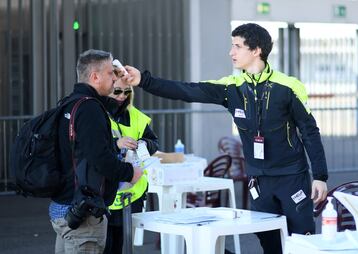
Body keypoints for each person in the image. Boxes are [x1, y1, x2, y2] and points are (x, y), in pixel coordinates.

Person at [119, 23, 328, 254]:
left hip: (292, 177)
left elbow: (310, 131)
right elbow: (187, 90)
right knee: (270, 244)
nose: (231, 52)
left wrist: (319, 176)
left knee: (302, 242)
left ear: (256, 50)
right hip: (259, 180)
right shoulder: (231, 87)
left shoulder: (289, 86)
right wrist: (143, 81)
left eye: (237, 46)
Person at [49, 49, 143, 254]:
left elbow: (114, 106)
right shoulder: (90, 109)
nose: (114, 77)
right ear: (95, 77)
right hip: (83, 215)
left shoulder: (70, 103)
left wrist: (119, 78)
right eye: (110, 73)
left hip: (63, 208)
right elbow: (100, 158)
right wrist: (129, 172)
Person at [102, 75, 159, 254]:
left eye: (127, 91)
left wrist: (143, 143)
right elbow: (89, 146)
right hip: (104, 192)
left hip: (132, 193)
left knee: (122, 244)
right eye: (117, 91)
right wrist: (116, 144)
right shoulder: (96, 113)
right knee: (103, 244)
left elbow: (154, 142)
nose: (122, 96)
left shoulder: (136, 116)